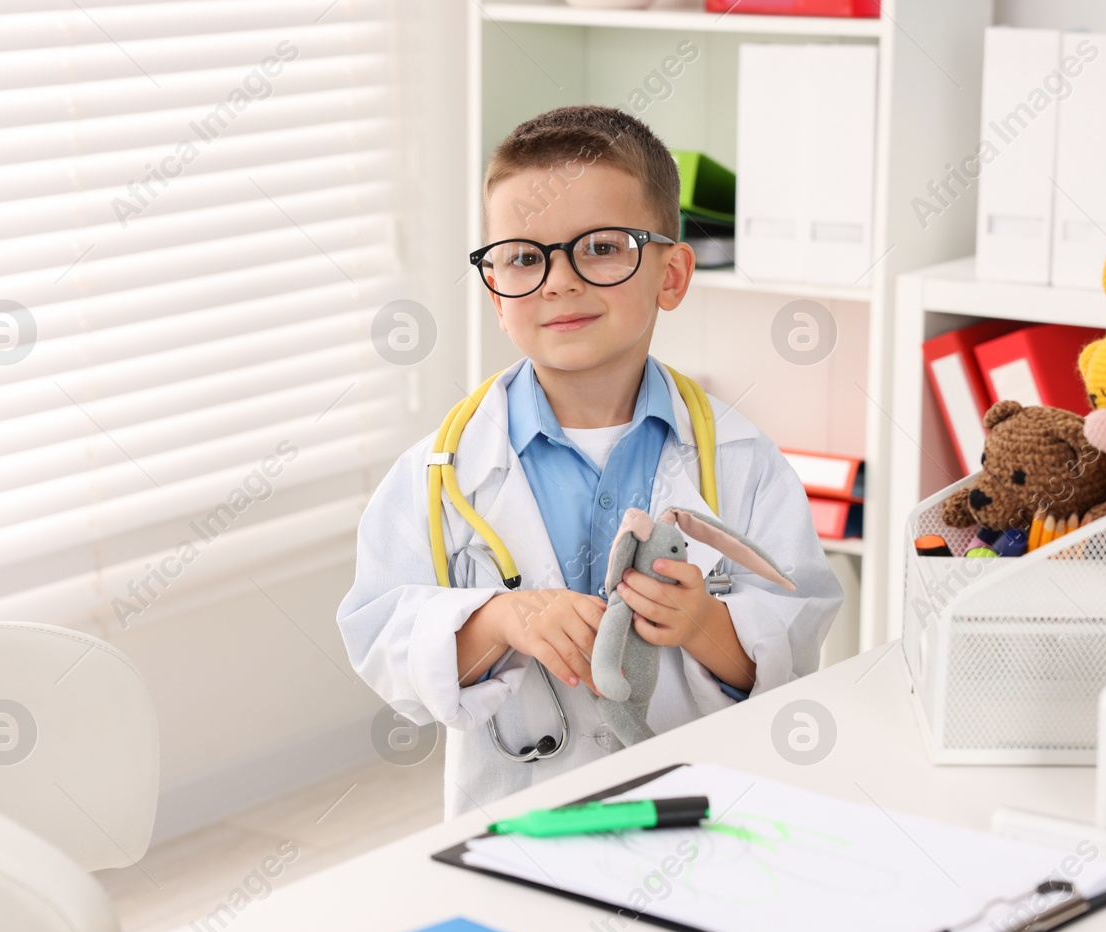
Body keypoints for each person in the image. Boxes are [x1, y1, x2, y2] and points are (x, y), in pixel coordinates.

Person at [337, 105, 843, 817]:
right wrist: (499, 620)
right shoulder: (439, 473)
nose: (558, 281)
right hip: (521, 815)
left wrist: (705, 627)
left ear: (672, 274)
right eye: (522, 256)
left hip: (695, 805)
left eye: (602, 247)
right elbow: (382, 638)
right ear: (494, 290)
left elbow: (797, 637)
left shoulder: (742, 461)